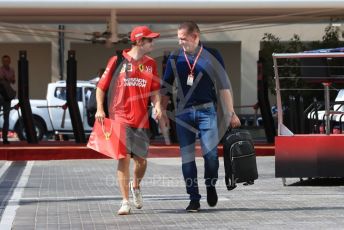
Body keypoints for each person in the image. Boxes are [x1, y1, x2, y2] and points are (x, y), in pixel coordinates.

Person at [160, 21, 241, 212]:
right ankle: (193, 198)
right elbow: (165, 89)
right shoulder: (175, 56)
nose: (180, 42)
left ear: (195, 36)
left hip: (207, 112)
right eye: (178, 39)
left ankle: (210, 185)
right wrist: (162, 112)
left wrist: (231, 113)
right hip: (183, 113)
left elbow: (223, 86)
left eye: (183, 39)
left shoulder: (213, 55)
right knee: (187, 158)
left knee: (211, 156)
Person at [95, 26, 161, 215]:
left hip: (141, 120)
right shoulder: (117, 61)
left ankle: (136, 186)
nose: (152, 43)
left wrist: (157, 105)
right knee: (123, 159)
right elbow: (101, 87)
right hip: (119, 118)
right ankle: (125, 202)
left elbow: (155, 90)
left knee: (141, 162)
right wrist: (100, 109)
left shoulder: (151, 64)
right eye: (150, 40)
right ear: (139, 41)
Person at [0, 55, 16, 145]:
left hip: (7, 96)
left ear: (9, 61)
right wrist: (7, 78)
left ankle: (5, 138)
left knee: (6, 118)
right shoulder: (0, 69)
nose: (5, 62)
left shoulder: (12, 70)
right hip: (0, 94)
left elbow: (13, 80)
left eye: (7, 61)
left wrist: (8, 79)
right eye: (4, 61)